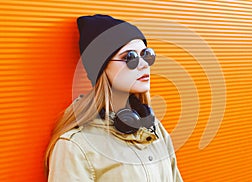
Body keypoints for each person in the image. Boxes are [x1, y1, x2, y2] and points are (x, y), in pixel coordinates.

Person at [45, 14, 183, 182]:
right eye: (129, 57)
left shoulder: (154, 129)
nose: (144, 64)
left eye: (146, 54)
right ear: (101, 68)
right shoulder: (75, 146)